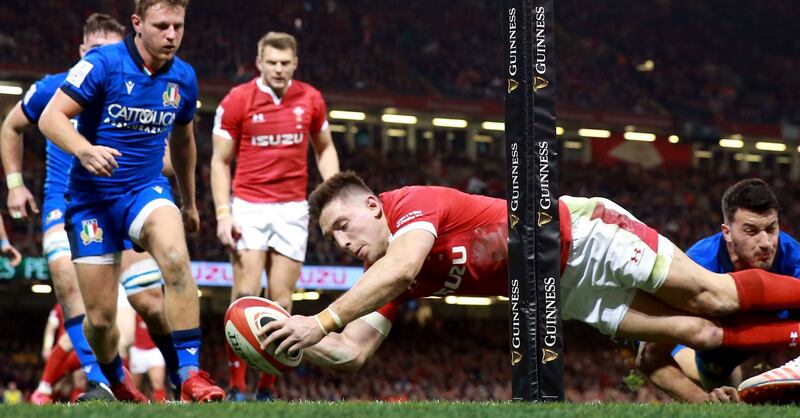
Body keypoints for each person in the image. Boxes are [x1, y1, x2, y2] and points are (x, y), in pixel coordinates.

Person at [260, 171, 800, 375]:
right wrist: (289, 339)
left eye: (343, 225)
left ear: (373, 205)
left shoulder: (411, 206)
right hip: (565, 292)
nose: (342, 242)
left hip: (586, 235)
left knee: (714, 299)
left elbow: (403, 269)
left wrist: (320, 319)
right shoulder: (381, 272)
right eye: (331, 237)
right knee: (699, 332)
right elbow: (352, 353)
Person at [38, 0, 223, 402]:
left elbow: (184, 143)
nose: (172, 35)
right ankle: (117, 381)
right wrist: (84, 150)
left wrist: (189, 202)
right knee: (101, 320)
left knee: (175, 258)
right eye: (162, 26)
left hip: (145, 190)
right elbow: (51, 118)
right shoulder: (103, 64)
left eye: (178, 26)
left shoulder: (184, 77)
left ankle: (190, 374)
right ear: (137, 24)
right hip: (92, 201)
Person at [1, 13, 183, 402]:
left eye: (112, 51)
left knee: (151, 301)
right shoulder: (53, 88)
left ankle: (184, 375)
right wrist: (15, 184)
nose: (103, 58)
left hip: (125, 201)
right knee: (67, 279)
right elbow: (10, 126)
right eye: (95, 50)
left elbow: (170, 159)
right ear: (82, 50)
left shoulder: (139, 90)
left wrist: (144, 159)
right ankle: (104, 383)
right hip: (67, 204)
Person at [210, 31, 339, 400]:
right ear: (259, 63)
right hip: (248, 207)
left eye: (285, 63)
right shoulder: (237, 100)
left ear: (295, 64)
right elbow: (220, 161)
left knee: (281, 302)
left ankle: (266, 388)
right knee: (244, 295)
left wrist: (333, 194)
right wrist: (223, 214)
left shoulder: (311, 99)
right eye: (272, 62)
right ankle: (237, 387)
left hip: (292, 209)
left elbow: (325, 148)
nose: (279, 69)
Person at [637, 178, 800, 403]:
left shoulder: (793, 257)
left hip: (781, 337)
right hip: (717, 350)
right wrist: (703, 400)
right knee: (720, 379)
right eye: (751, 231)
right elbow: (648, 355)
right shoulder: (698, 266)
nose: (766, 242)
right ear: (727, 232)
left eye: (771, 229)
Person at [130, 313, 168, 402]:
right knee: (135, 386)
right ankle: (134, 407)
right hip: (138, 350)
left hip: (155, 350)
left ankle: (162, 407)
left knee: (158, 383)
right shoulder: (136, 308)